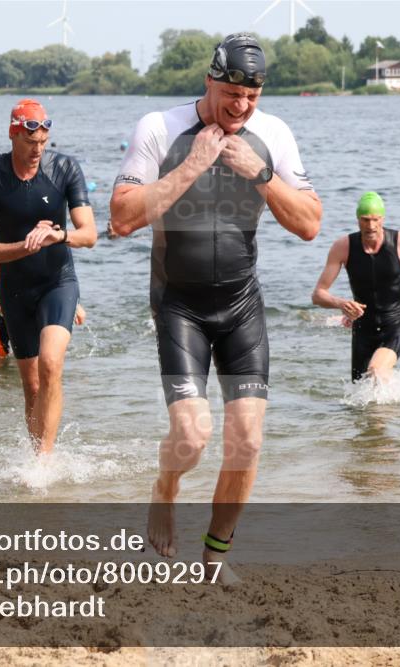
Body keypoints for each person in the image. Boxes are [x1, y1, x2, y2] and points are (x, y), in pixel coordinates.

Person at [109, 33, 322, 579]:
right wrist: (191, 166)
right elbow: (121, 218)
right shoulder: (160, 128)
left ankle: (213, 557)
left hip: (241, 305)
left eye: (252, 97)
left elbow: (309, 224)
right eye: (231, 94)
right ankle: (165, 487)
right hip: (179, 305)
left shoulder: (273, 134)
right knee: (191, 436)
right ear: (209, 80)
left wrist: (260, 173)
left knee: (246, 441)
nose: (241, 106)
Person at [0, 99, 97, 454]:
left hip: (58, 280)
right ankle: (34, 453)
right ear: (13, 135)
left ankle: (45, 458)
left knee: (51, 364)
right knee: (32, 387)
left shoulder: (65, 168)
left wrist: (58, 236)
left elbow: (89, 234)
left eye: (43, 142)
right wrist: (27, 246)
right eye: (30, 142)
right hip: (15, 288)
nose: (37, 150)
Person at [311, 191, 400, 382]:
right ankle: (398, 400)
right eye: (365, 220)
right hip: (363, 328)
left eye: (375, 219)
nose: (371, 226)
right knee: (359, 390)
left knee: (376, 370)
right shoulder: (343, 247)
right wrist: (341, 303)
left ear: (382, 218)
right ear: (357, 219)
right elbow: (318, 295)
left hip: (397, 324)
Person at [0, 262, 88, 363]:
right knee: (2, 363)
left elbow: (56, 284)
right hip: (4, 319)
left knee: (45, 359)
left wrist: (72, 304)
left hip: (36, 313)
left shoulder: (35, 253)